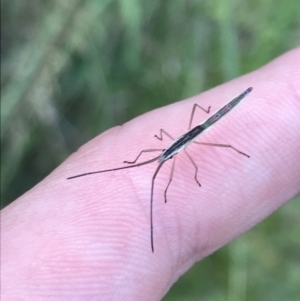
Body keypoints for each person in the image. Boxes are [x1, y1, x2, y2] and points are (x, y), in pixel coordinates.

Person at [2, 48, 300, 300]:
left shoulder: (180, 156)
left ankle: (242, 115)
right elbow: (154, 158)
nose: (160, 161)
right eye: (163, 158)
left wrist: (176, 180)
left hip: (207, 124)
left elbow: (181, 172)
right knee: (151, 163)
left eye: (164, 158)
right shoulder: (161, 153)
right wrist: (147, 159)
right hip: (183, 138)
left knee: (210, 152)